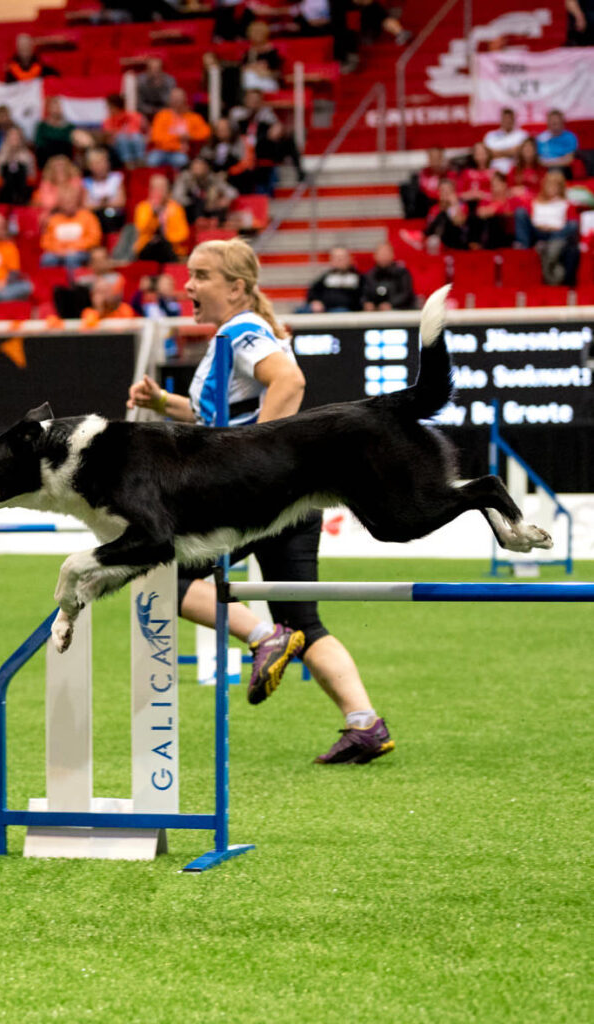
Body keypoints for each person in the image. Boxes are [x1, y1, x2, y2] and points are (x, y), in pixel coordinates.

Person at [126, 238, 393, 765]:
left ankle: (263, 636)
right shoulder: (243, 335)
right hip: (294, 496)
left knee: (159, 574)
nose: (188, 286)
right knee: (305, 622)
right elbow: (221, 421)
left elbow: (289, 382)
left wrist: (253, 464)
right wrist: (164, 403)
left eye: (201, 276)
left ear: (237, 287)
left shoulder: (240, 329)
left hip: (256, 499)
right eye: (189, 274)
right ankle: (364, 724)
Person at [513, 169, 579, 284]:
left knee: (572, 226)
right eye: (549, 185)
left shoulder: (567, 203)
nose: (552, 188)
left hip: (556, 234)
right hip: (537, 232)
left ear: (560, 188)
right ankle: (523, 246)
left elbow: (571, 224)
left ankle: (549, 245)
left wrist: (555, 229)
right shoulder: (535, 200)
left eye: (555, 186)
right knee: (520, 213)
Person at [40, 188, 103, 273]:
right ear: (61, 204)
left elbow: (95, 238)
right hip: (58, 252)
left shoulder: (87, 216)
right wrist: (59, 250)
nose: (69, 205)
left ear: (77, 202)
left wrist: (74, 247)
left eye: (71, 201)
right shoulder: (54, 219)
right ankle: (49, 284)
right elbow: (46, 241)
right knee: (47, 259)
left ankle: (72, 284)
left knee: (71, 258)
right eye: (66, 202)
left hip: (81, 252)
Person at [147, 87, 211, 170]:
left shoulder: (194, 117)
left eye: (179, 99)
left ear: (185, 100)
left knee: (182, 161)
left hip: (180, 153)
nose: (177, 102)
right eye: (174, 99)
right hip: (161, 151)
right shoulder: (162, 116)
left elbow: (206, 133)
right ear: (170, 100)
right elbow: (156, 137)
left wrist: (190, 136)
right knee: (151, 160)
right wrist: (178, 138)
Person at [132, 173, 190, 262]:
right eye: (156, 188)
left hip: (171, 248)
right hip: (148, 247)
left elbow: (183, 233)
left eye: (162, 188)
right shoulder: (143, 207)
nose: (159, 191)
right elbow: (141, 229)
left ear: (168, 190)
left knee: (163, 245)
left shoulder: (176, 208)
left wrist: (166, 238)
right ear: (150, 190)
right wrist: (153, 213)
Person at [172, 156, 238, 224]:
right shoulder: (184, 178)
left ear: (206, 168)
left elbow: (232, 191)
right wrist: (193, 202)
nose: (198, 169)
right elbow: (177, 196)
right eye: (196, 167)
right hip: (190, 210)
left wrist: (225, 198)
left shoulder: (211, 178)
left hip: (209, 208)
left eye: (201, 167)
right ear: (191, 168)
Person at [298, 245, 362, 312]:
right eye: (336, 258)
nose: (339, 260)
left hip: (345, 310)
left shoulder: (358, 278)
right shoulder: (326, 277)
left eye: (342, 257)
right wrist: (315, 302)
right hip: (324, 309)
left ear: (350, 259)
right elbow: (313, 292)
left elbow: (361, 299)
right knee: (300, 311)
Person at [82, 146, 126, 234]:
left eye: (102, 162)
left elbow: (121, 202)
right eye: (96, 163)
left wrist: (99, 203)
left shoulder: (116, 178)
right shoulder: (87, 182)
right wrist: (105, 203)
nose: (100, 167)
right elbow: (85, 205)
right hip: (95, 217)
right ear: (90, 166)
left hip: (114, 217)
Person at [0, 126, 38, 206]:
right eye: (12, 136)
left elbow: (32, 177)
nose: (14, 138)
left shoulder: (28, 156)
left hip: (22, 192)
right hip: (4, 192)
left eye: (17, 136)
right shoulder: (0, 157)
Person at [361, 242, 415, 310]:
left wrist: (391, 304)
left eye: (386, 253)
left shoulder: (402, 273)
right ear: (375, 256)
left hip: (399, 311)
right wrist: (367, 303)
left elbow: (406, 294)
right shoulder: (370, 275)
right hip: (375, 314)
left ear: (393, 255)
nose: (383, 256)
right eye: (381, 253)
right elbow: (364, 294)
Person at [102, 93, 149, 168]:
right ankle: (128, 163)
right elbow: (107, 137)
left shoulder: (132, 116)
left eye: (110, 107)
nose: (108, 109)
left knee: (135, 137)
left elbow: (142, 129)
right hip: (118, 145)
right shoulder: (108, 121)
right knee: (122, 138)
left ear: (116, 107)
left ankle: (141, 160)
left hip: (134, 141)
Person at [483, 108, 528, 175]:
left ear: (513, 119)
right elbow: (488, 154)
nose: (507, 121)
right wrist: (511, 152)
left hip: (515, 174)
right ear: (501, 119)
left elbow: (519, 151)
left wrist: (497, 153)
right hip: (495, 173)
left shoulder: (522, 135)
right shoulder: (491, 135)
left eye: (509, 118)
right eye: (505, 118)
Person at [536, 109, 579, 179]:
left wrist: (549, 164)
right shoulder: (541, 137)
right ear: (548, 123)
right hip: (542, 168)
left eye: (557, 123)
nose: (554, 125)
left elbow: (568, 160)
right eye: (552, 123)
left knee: (555, 171)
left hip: (561, 169)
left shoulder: (570, 137)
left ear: (562, 123)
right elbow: (536, 158)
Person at [136, 57, 176, 121]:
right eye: (152, 69)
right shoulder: (140, 81)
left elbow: (170, 103)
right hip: (144, 113)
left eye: (158, 69)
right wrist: (150, 110)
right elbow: (138, 103)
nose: (155, 72)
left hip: (164, 113)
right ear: (147, 70)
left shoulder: (169, 81)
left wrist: (160, 88)